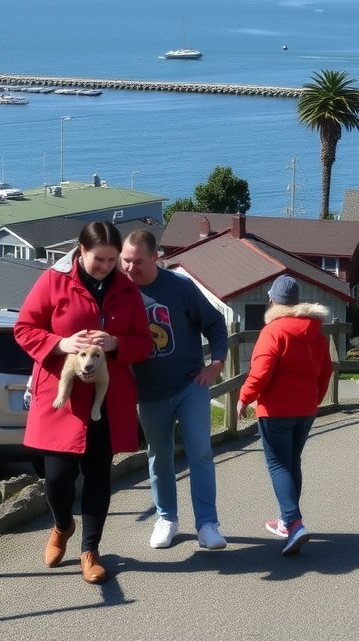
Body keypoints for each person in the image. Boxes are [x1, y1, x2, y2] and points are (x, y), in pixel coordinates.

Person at [15, 221, 154, 584]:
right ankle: (62, 525)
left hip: (106, 401)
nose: (108, 267)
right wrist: (62, 344)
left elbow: (145, 342)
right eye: (100, 259)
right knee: (57, 477)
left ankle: (90, 551)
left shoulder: (127, 288)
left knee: (97, 476)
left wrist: (117, 344)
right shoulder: (53, 281)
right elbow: (24, 329)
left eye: (112, 260)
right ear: (81, 250)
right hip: (61, 397)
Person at [119, 229, 229, 551]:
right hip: (149, 392)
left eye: (138, 261)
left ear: (156, 258)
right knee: (159, 456)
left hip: (189, 384)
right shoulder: (119, 293)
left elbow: (215, 324)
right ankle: (167, 519)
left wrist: (218, 363)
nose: (130, 268)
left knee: (201, 452)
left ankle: (207, 525)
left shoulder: (180, 287)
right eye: (126, 261)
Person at [236, 274, 332, 556]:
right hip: (305, 409)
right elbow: (326, 372)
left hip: (275, 410)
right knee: (292, 463)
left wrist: (244, 398)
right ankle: (285, 521)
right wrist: (315, 399)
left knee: (278, 465)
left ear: (272, 300)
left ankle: (293, 522)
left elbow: (261, 372)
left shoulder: (273, 332)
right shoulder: (318, 333)